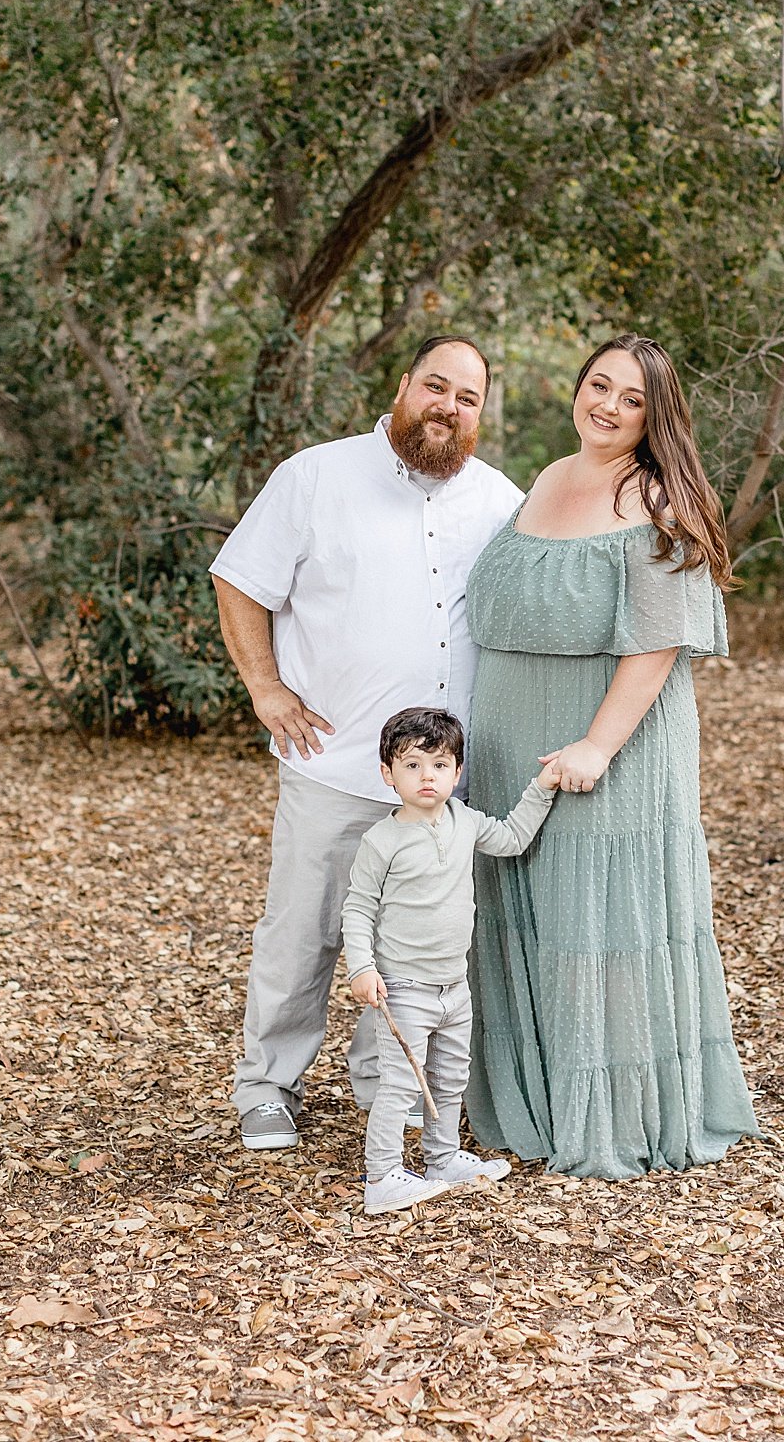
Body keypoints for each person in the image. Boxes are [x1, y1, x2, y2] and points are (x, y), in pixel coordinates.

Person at [209, 337, 522, 1152]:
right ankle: (268, 1087)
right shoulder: (315, 476)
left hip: (443, 786)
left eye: (468, 398)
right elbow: (239, 579)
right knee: (304, 931)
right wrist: (266, 687)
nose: (448, 408)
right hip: (337, 762)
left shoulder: (495, 499)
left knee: (415, 941)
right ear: (403, 387)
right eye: (436, 387)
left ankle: (385, 1085)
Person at [463, 333, 760, 1180]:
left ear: (655, 417)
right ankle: (539, 1097)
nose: (609, 406)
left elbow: (659, 643)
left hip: (606, 739)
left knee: (601, 920)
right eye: (601, 386)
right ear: (579, 387)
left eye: (633, 400)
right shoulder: (552, 476)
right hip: (511, 735)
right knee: (531, 915)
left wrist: (597, 743)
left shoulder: (658, 497)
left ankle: (619, 1115)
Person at [342, 707, 559, 1214]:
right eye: (412, 765)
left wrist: (543, 786)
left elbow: (511, 838)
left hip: (453, 987)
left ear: (457, 773)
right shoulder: (382, 840)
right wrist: (361, 967)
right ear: (387, 774)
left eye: (439, 765)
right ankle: (383, 1177)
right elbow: (357, 906)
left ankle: (441, 1160)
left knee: (448, 1079)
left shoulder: (466, 822)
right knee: (400, 1083)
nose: (426, 777)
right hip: (402, 986)